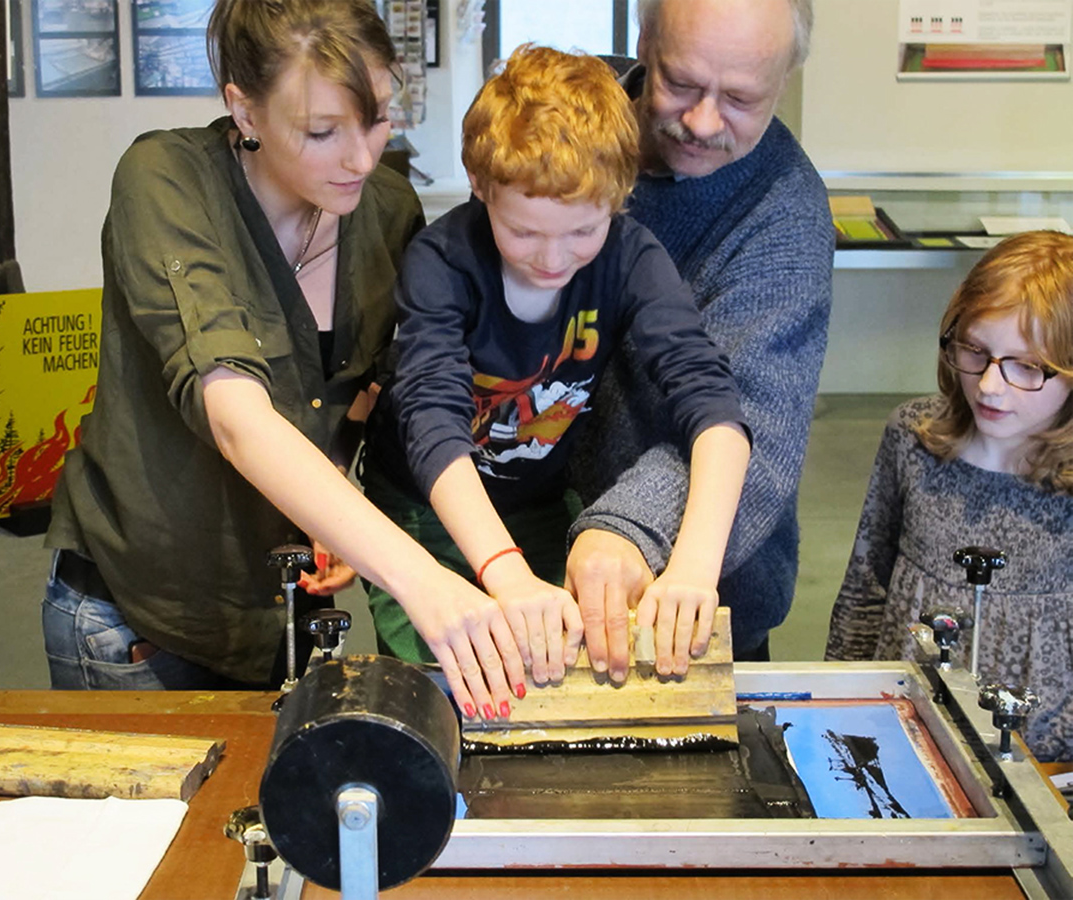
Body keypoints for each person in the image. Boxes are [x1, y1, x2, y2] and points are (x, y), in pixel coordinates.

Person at [41, 0, 525, 720]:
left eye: (379, 117)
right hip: (143, 614)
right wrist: (422, 582)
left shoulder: (387, 209)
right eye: (323, 132)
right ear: (244, 110)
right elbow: (238, 417)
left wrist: (330, 498)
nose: (361, 157)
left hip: (280, 619)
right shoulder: (167, 183)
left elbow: (358, 388)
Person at [361, 45, 751, 690]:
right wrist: (503, 571)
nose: (552, 258)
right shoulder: (443, 260)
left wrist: (691, 568)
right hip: (424, 507)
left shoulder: (630, 255)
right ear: (481, 185)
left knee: (561, 667)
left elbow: (712, 405)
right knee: (449, 677)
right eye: (524, 232)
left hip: (537, 499)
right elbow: (432, 419)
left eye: (581, 233)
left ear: (618, 199)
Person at [565, 0, 835, 681]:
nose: (703, 122)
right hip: (532, 563)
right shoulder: (563, 128)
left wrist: (631, 527)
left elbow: (750, 417)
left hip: (695, 596)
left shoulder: (786, 213)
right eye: (681, 83)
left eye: (741, 99)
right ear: (645, 38)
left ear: (788, 76)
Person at [826, 231, 1073, 762]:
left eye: (1026, 366)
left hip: (1044, 760)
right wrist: (839, 705)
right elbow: (865, 591)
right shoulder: (912, 438)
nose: (989, 386)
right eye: (975, 351)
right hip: (904, 735)